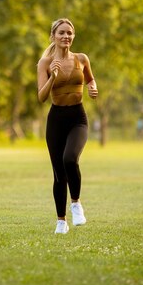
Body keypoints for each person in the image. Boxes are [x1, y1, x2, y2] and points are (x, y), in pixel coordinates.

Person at [37, 18, 98, 234]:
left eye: (69, 33)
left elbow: (90, 79)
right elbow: (42, 97)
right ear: (53, 36)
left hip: (77, 117)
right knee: (58, 173)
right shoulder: (44, 63)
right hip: (56, 119)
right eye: (61, 33)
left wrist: (93, 88)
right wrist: (52, 76)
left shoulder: (81, 59)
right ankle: (61, 222)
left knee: (70, 159)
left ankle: (76, 204)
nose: (66, 37)